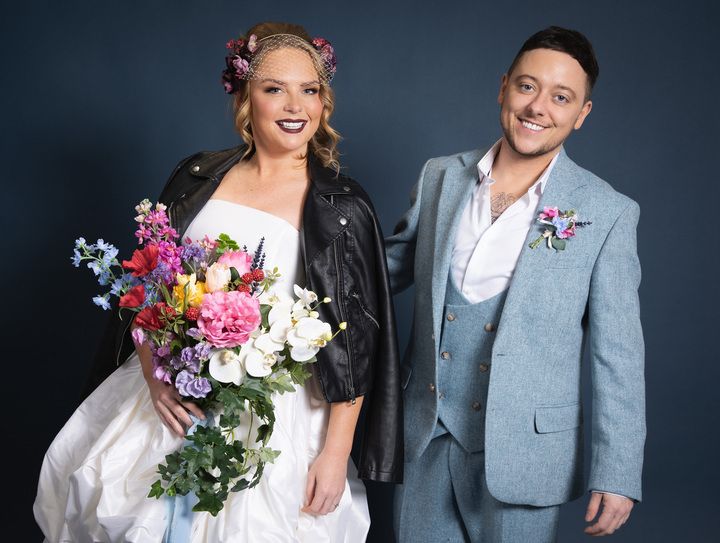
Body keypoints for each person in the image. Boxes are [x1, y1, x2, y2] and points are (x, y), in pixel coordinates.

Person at [34, 21, 402, 542]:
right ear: (247, 99)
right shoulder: (197, 175)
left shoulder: (343, 206)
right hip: (175, 399)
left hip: (278, 411)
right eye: (275, 88)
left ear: (324, 103)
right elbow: (148, 285)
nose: (295, 105)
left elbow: (355, 339)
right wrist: (153, 374)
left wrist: (337, 451)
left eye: (310, 90)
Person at [387, 26, 645, 542]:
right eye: (527, 87)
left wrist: (618, 473)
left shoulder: (607, 212)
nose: (538, 107)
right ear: (504, 87)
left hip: (527, 454)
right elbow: (385, 270)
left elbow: (619, 354)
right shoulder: (441, 176)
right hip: (425, 435)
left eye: (561, 97)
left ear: (582, 114)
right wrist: (287, 282)